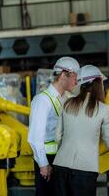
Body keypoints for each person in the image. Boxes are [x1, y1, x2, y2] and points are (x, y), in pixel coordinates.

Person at [53, 65, 109, 196]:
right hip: (85, 170)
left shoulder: (67, 103)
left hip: (60, 165)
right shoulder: (104, 109)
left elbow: (57, 136)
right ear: (98, 83)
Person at [28, 57, 80, 196]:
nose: (76, 82)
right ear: (64, 75)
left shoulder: (66, 99)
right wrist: (43, 164)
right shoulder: (42, 100)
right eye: (75, 77)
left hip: (61, 160)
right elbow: (34, 137)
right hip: (47, 159)